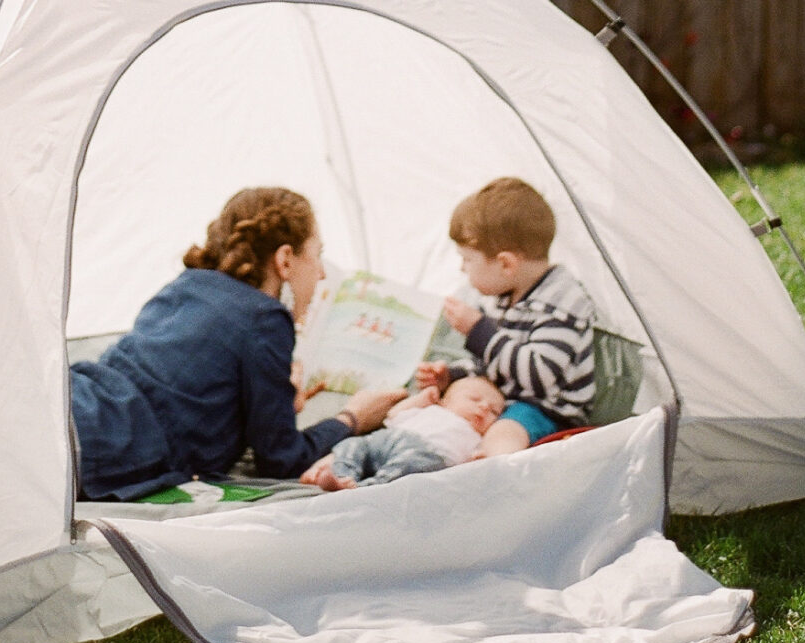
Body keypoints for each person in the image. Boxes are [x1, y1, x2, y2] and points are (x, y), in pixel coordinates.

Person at [68, 186, 406, 500]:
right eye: (317, 255)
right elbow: (282, 459)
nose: (321, 274)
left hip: (74, 398)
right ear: (285, 260)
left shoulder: (187, 285)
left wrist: (275, 400)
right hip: (102, 444)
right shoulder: (266, 317)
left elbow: (185, 390)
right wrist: (353, 418)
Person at [416, 176, 596, 451]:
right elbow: (494, 365)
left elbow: (538, 376)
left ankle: (493, 469)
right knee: (436, 414)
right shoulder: (503, 295)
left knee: (505, 431)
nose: (463, 270)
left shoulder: (562, 303)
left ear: (506, 264)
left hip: (545, 410)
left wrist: (479, 331)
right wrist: (451, 376)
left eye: (467, 260)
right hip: (499, 401)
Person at [299, 372, 506, 489]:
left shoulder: (476, 436)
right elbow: (393, 416)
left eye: (494, 411)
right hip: (386, 439)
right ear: (445, 401)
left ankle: (366, 490)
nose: (484, 407)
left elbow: (467, 468)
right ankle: (342, 475)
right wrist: (421, 398)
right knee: (351, 445)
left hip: (427, 455)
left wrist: (476, 461)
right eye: (475, 399)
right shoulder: (430, 409)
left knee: (405, 469)